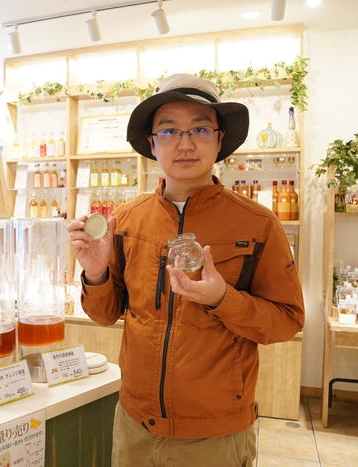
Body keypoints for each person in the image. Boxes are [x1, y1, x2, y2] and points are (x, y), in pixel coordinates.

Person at [67, 74, 305, 467]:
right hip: (134, 425)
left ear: (219, 139)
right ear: (152, 143)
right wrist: (96, 275)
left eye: (200, 128)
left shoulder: (258, 224)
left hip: (215, 433)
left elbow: (286, 321)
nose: (185, 143)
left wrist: (222, 299)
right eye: (169, 130)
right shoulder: (125, 220)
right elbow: (105, 314)